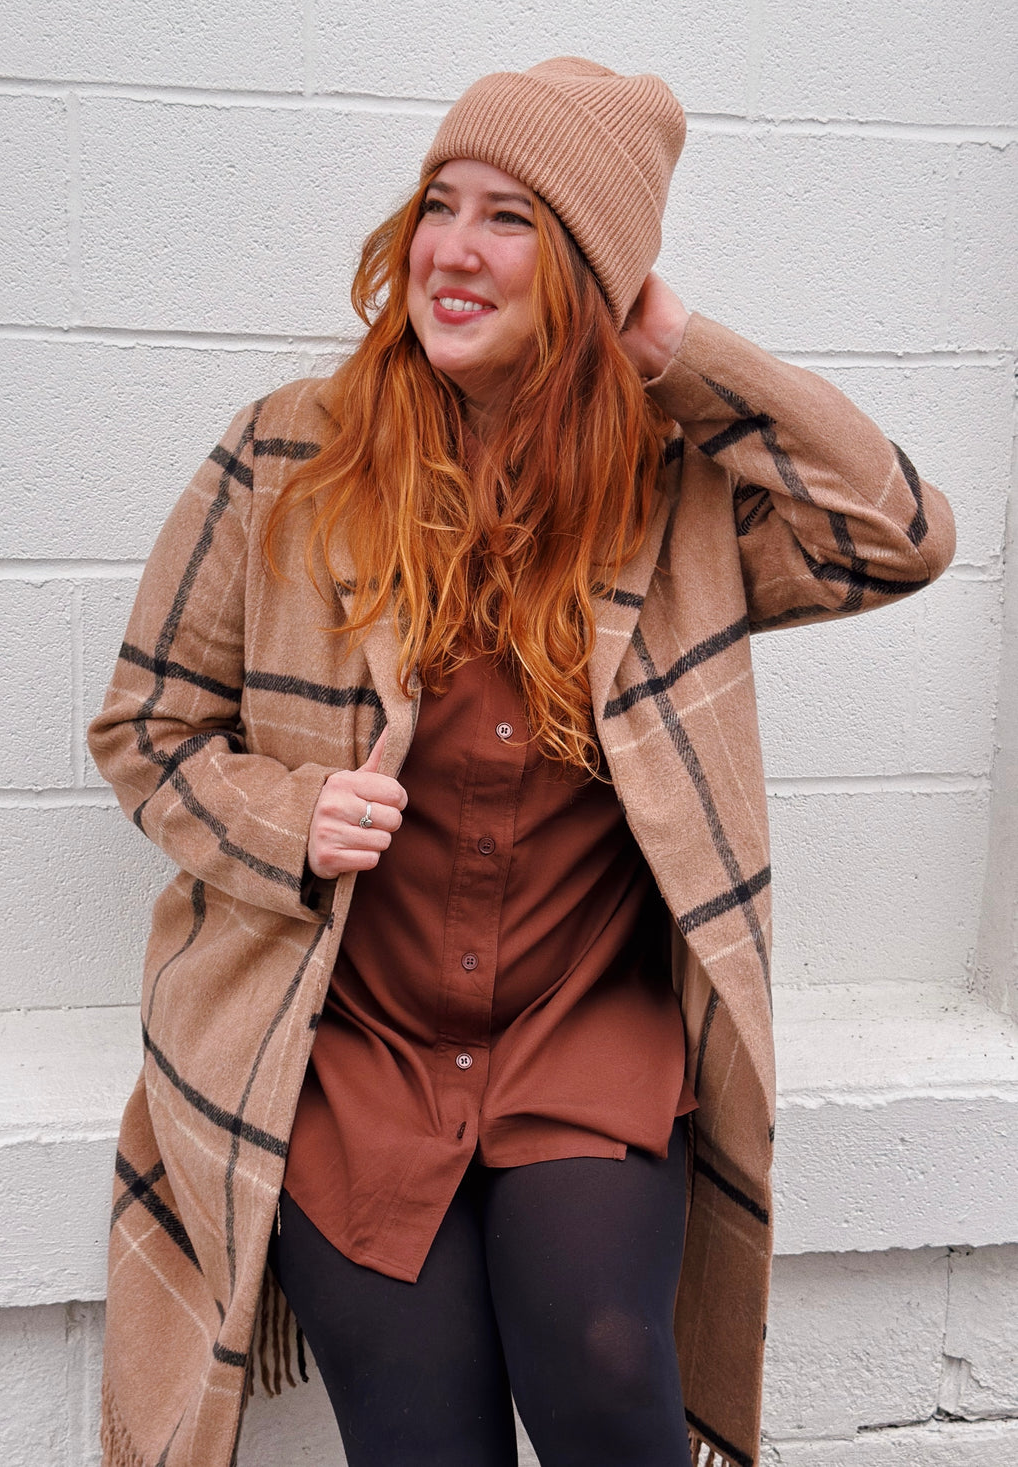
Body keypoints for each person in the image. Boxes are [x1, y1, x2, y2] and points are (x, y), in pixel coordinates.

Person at [88, 58, 955, 1467]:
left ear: (592, 273)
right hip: (350, 1045)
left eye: (514, 220)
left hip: (581, 1031)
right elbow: (146, 727)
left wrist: (678, 343)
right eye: (441, 205)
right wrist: (288, 819)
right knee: (425, 1438)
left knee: (610, 1368)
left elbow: (899, 534)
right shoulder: (286, 454)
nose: (453, 249)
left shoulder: (675, 491)